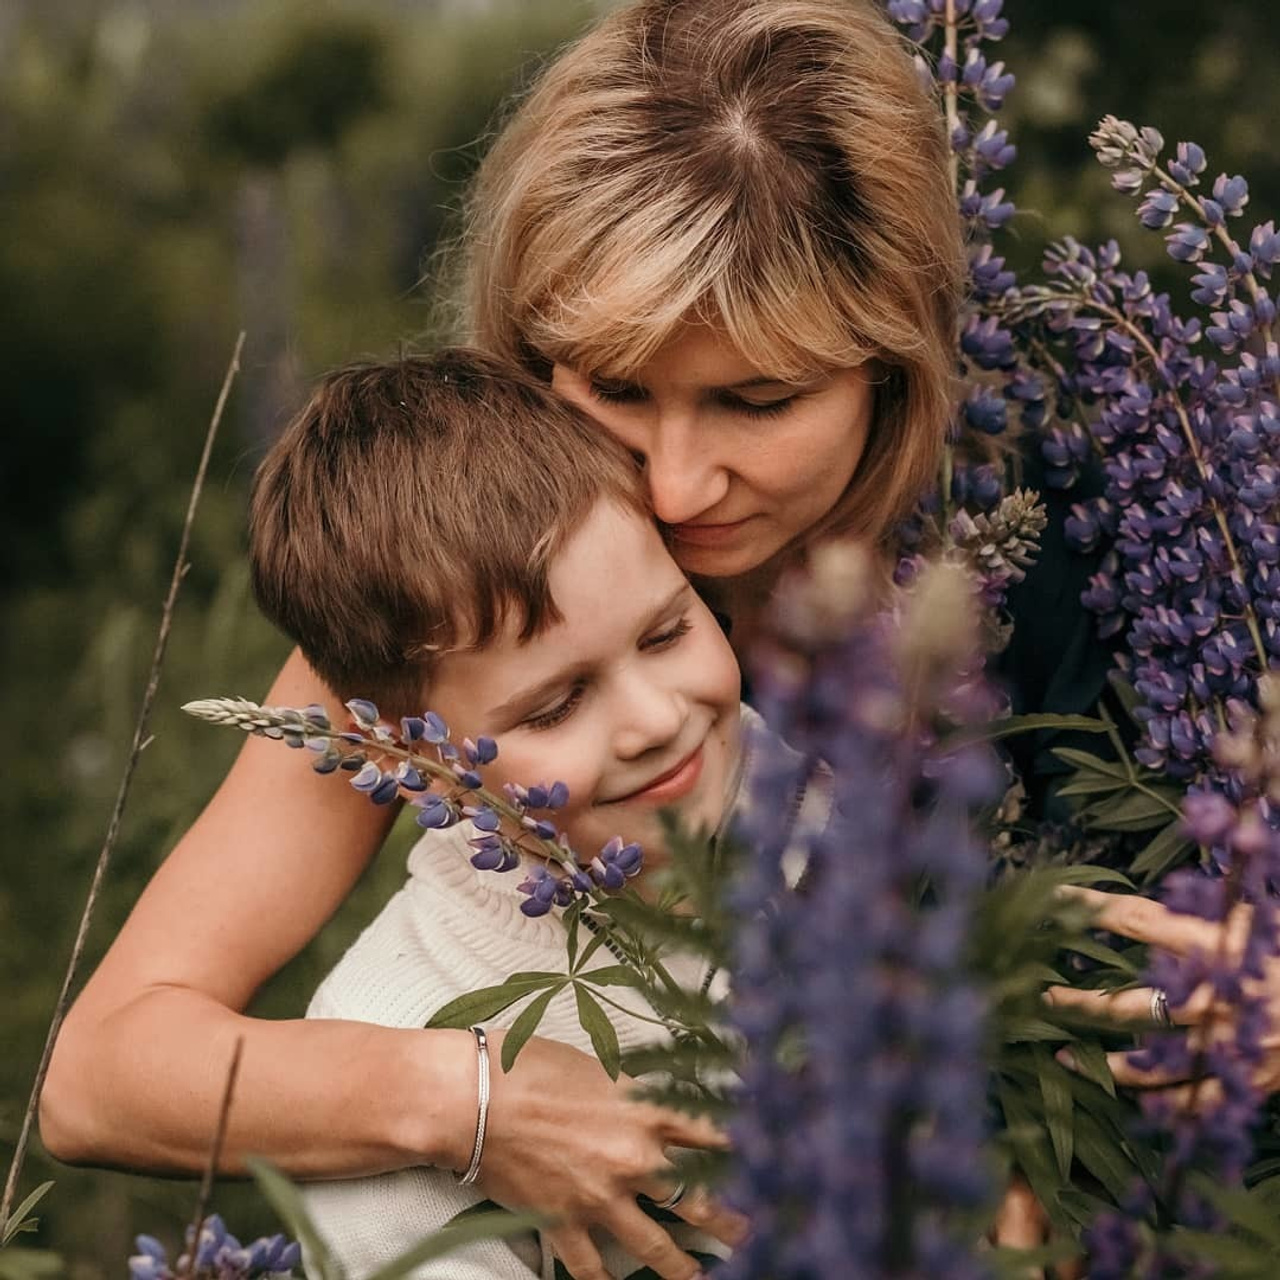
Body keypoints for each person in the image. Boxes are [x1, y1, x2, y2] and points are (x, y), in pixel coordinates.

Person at [38, 0, 1087, 1272]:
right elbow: (100, 1075)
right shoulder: (477, 578)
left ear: (894, 360)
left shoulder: (1058, 542)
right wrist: (482, 1102)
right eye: (616, 386)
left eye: (756, 400)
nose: (681, 482)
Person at [245, 348, 826, 1277]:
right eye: (556, 706)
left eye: (669, 631)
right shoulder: (396, 1045)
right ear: (420, 769)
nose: (658, 719)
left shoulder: (817, 795)